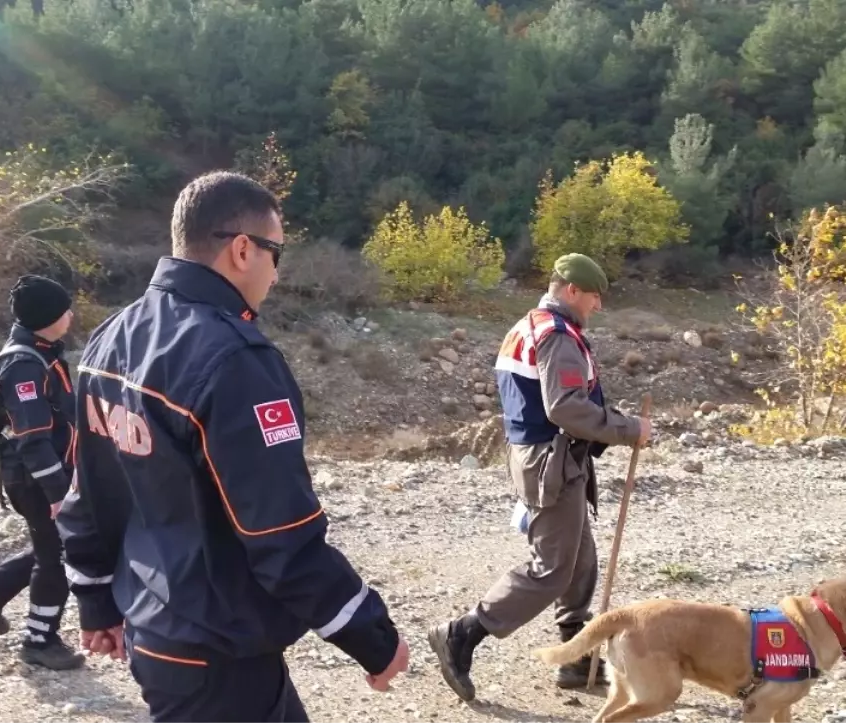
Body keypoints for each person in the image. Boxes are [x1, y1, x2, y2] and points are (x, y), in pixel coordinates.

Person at [54, 170, 408, 722]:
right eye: (276, 252)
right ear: (243, 250)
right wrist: (372, 637)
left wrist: (97, 599)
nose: (276, 270)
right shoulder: (235, 360)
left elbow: (87, 494)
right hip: (215, 649)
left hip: (154, 626)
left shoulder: (112, 336)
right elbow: (281, 533)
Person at [428, 253, 651, 702]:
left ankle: (575, 655)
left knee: (579, 557)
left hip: (543, 456)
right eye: (593, 296)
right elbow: (565, 407)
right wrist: (629, 429)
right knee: (551, 570)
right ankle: (461, 634)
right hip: (550, 460)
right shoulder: (558, 336)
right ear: (571, 291)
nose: (597, 306)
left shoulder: (529, 326)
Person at [0, 274, 85, 671]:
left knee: (53, 545)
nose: (71, 313)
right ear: (46, 317)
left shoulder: (42, 352)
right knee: (58, 555)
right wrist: (57, 494)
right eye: (64, 308)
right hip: (34, 476)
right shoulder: (22, 364)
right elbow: (32, 438)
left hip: (41, 474)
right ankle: (39, 640)